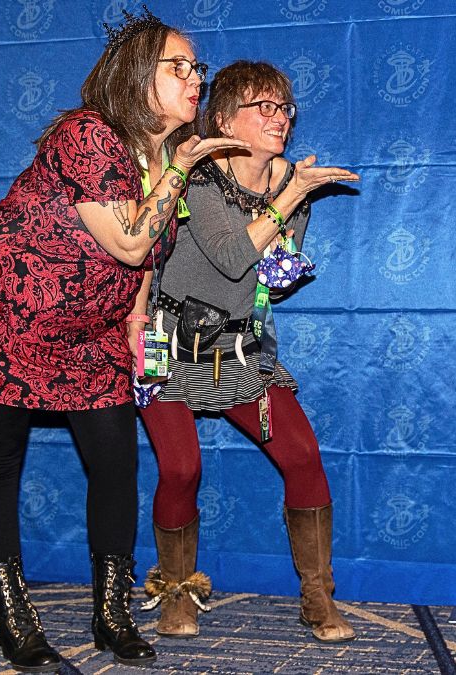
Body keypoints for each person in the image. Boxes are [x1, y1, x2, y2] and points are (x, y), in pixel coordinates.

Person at [0, 9, 246, 672]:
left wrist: (133, 322)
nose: (195, 79)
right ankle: (14, 615)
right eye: (178, 66)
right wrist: (179, 167)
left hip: (88, 328)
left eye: (197, 68)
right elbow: (127, 237)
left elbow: (147, 258)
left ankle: (112, 612)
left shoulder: (160, 159)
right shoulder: (86, 135)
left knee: (116, 460)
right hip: (7, 307)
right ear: (134, 76)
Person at [134, 60, 359, 643]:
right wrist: (289, 201)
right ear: (226, 119)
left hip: (241, 349)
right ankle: (177, 594)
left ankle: (317, 595)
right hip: (170, 344)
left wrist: (290, 201)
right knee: (181, 467)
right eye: (265, 107)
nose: (280, 118)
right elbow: (233, 257)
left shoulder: (291, 182)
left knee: (304, 456)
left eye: (285, 107)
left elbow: (275, 275)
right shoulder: (199, 177)